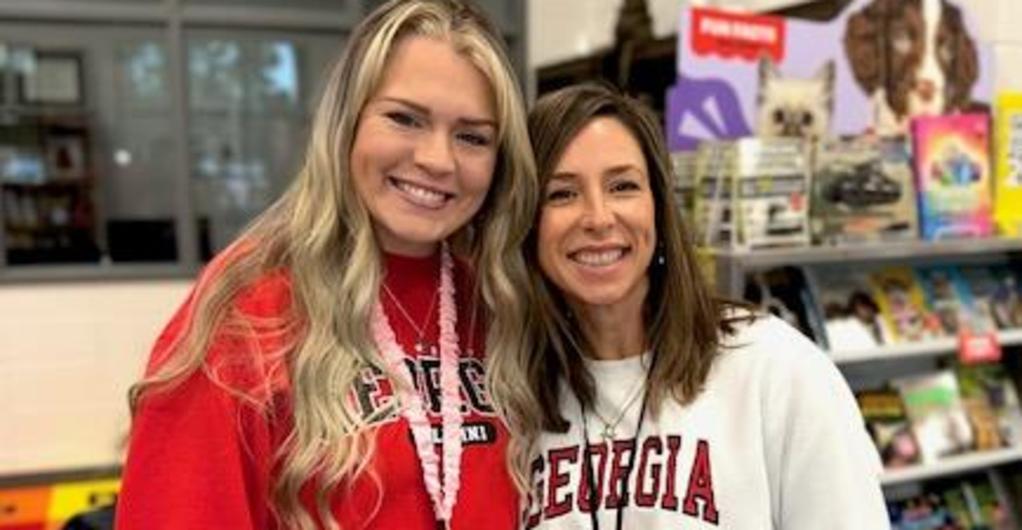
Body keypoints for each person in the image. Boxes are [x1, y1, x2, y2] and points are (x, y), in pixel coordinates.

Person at [115, 1, 536, 529]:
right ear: (346, 124)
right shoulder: (244, 311)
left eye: (472, 136)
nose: (437, 159)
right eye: (405, 118)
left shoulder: (501, 307)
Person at [488, 84, 888, 529]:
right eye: (561, 194)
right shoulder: (513, 393)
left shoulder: (776, 369)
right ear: (526, 221)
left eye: (622, 186)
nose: (598, 218)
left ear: (659, 209)